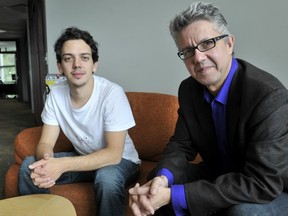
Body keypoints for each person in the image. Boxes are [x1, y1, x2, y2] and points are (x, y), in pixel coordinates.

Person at [129, 2, 288, 216]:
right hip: (221, 172)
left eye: (207, 43)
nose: (198, 57)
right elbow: (181, 146)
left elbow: (262, 183)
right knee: (156, 183)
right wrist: (162, 180)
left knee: (242, 212)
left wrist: (173, 196)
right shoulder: (189, 89)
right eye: (187, 51)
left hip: (272, 187)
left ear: (229, 43)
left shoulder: (268, 96)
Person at [18, 27, 141, 216]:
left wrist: (62, 165)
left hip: (122, 161)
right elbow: (45, 142)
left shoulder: (112, 94)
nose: (77, 65)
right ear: (60, 66)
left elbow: (113, 155)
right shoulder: (55, 95)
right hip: (84, 158)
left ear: (94, 65)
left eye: (84, 57)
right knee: (29, 167)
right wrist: (47, 163)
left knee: (106, 178)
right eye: (68, 58)